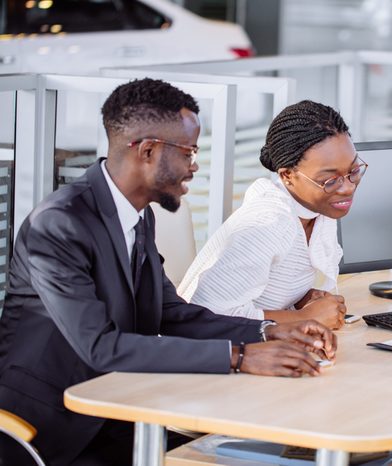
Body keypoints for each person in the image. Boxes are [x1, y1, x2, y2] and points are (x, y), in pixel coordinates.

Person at [0, 79, 337, 466]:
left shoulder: (137, 215)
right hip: (50, 430)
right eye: (189, 152)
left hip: (124, 408)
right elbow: (101, 346)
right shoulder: (59, 224)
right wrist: (240, 357)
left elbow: (172, 312)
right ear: (147, 151)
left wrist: (270, 331)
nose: (195, 166)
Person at [178, 100, 365, 330]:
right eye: (330, 179)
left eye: (353, 171)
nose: (347, 187)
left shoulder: (317, 210)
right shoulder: (268, 223)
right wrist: (307, 318)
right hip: (202, 354)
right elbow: (206, 317)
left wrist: (300, 299)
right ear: (287, 175)